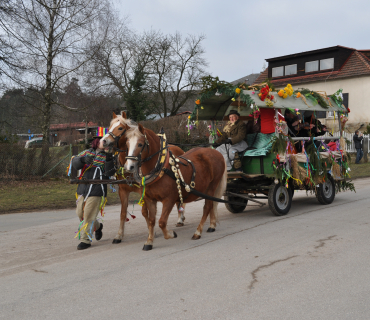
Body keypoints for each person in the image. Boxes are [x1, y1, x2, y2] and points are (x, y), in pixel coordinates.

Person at [71, 136, 115, 250]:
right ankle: (98, 226)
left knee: (89, 214)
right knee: (80, 213)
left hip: (97, 188)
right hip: (83, 188)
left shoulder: (108, 157)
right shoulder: (87, 152)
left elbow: (111, 172)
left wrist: (109, 157)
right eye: (103, 140)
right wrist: (82, 160)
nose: (105, 143)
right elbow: (74, 162)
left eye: (107, 142)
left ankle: (85, 240)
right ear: (96, 142)